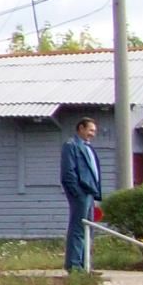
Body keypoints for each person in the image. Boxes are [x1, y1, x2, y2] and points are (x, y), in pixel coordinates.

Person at [59, 116, 104, 273]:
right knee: (78, 229)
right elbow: (68, 173)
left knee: (88, 230)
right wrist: (77, 193)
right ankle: (74, 265)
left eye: (94, 131)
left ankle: (85, 265)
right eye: (90, 130)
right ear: (81, 128)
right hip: (80, 193)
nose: (93, 134)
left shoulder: (88, 147)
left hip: (90, 193)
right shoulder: (71, 146)